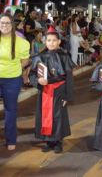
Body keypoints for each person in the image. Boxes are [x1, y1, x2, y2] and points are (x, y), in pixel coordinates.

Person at [29, 26, 75, 153]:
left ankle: (58, 141)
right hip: (44, 92)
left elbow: (69, 78)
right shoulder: (39, 57)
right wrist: (38, 81)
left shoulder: (64, 57)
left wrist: (67, 96)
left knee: (58, 116)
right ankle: (49, 140)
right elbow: (32, 74)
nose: (51, 43)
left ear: (59, 42)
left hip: (59, 91)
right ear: (45, 41)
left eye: (54, 40)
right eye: (48, 40)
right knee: (45, 115)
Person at [0, 14, 30, 150]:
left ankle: (11, 139)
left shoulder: (22, 42)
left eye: (7, 23)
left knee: (10, 110)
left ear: (12, 25)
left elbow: (25, 60)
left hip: (12, 79)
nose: (4, 26)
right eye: (1, 23)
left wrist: (17, 67)